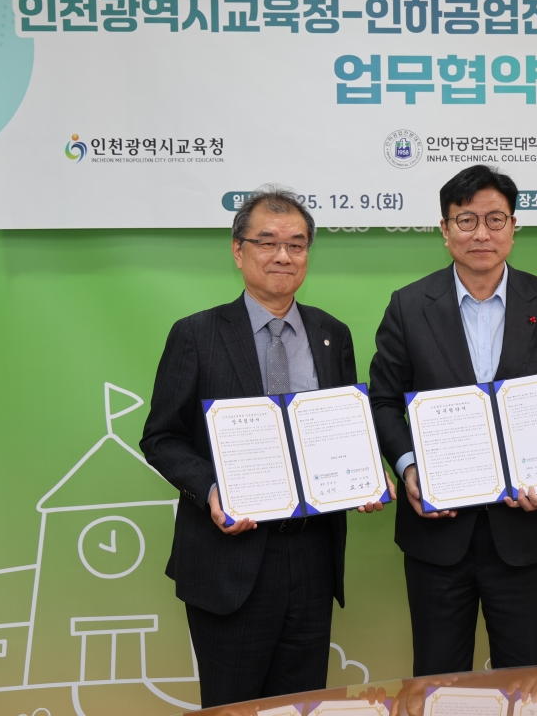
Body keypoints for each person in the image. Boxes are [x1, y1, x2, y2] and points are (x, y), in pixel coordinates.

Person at [141, 186, 392, 707]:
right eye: (268, 242)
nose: (283, 255)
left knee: (300, 704)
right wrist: (212, 490)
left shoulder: (332, 334)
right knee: (232, 704)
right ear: (239, 251)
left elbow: (345, 426)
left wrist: (367, 473)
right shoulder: (196, 335)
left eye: (297, 244)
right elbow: (161, 438)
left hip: (312, 553)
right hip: (229, 558)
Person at [369, 164, 537, 676]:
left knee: (526, 681)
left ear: (514, 227)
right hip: (438, 533)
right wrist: (408, 468)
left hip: (525, 530)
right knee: (438, 679)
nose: (481, 234)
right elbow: (382, 401)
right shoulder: (408, 306)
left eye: (495, 219)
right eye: (466, 220)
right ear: (445, 230)